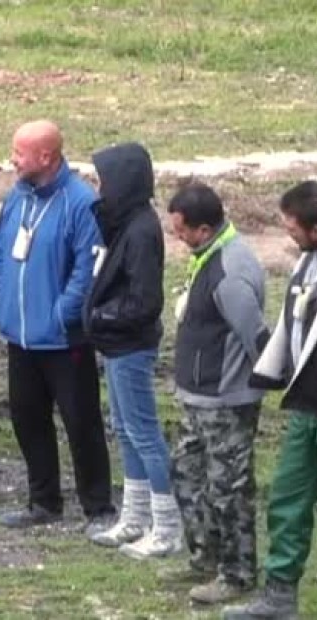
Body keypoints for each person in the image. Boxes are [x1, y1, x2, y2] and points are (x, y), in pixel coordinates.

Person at [0, 119, 115, 533]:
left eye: (19, 152)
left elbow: (88, 266)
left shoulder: (81, 202)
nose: (12, 158)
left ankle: (98, 506)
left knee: (81, 421)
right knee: (27, 418)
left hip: (63, 339)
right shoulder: (16, 198)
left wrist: (63, 313)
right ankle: (43, 501)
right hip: (20, 335)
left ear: (46, 156)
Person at [165, 183, 268, 605]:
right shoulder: (208, 256)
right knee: (187, 474)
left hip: (226, 402)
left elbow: (257, 339)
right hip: (198, 397)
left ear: (204, 229)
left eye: (182, 231)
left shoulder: (230, 271)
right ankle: (205, 557)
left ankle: (238, 573)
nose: (178, 238)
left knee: (229, 489)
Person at [84, 142, 183, 559]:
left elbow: (145, 300)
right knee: (125, 430)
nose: (98, 187)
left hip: (129, 345)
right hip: (116, 344)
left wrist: (102, 317)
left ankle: (167, 527)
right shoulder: (126, 222)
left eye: (104, 179)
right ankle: (136, 516)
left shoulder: (142, 231)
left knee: (143, 433)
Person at [223, 180, 317, 620]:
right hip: (305, 408)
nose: (287, 232)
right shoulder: (306, 264)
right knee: (288, 498)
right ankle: (280, 597)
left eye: (293, 226)